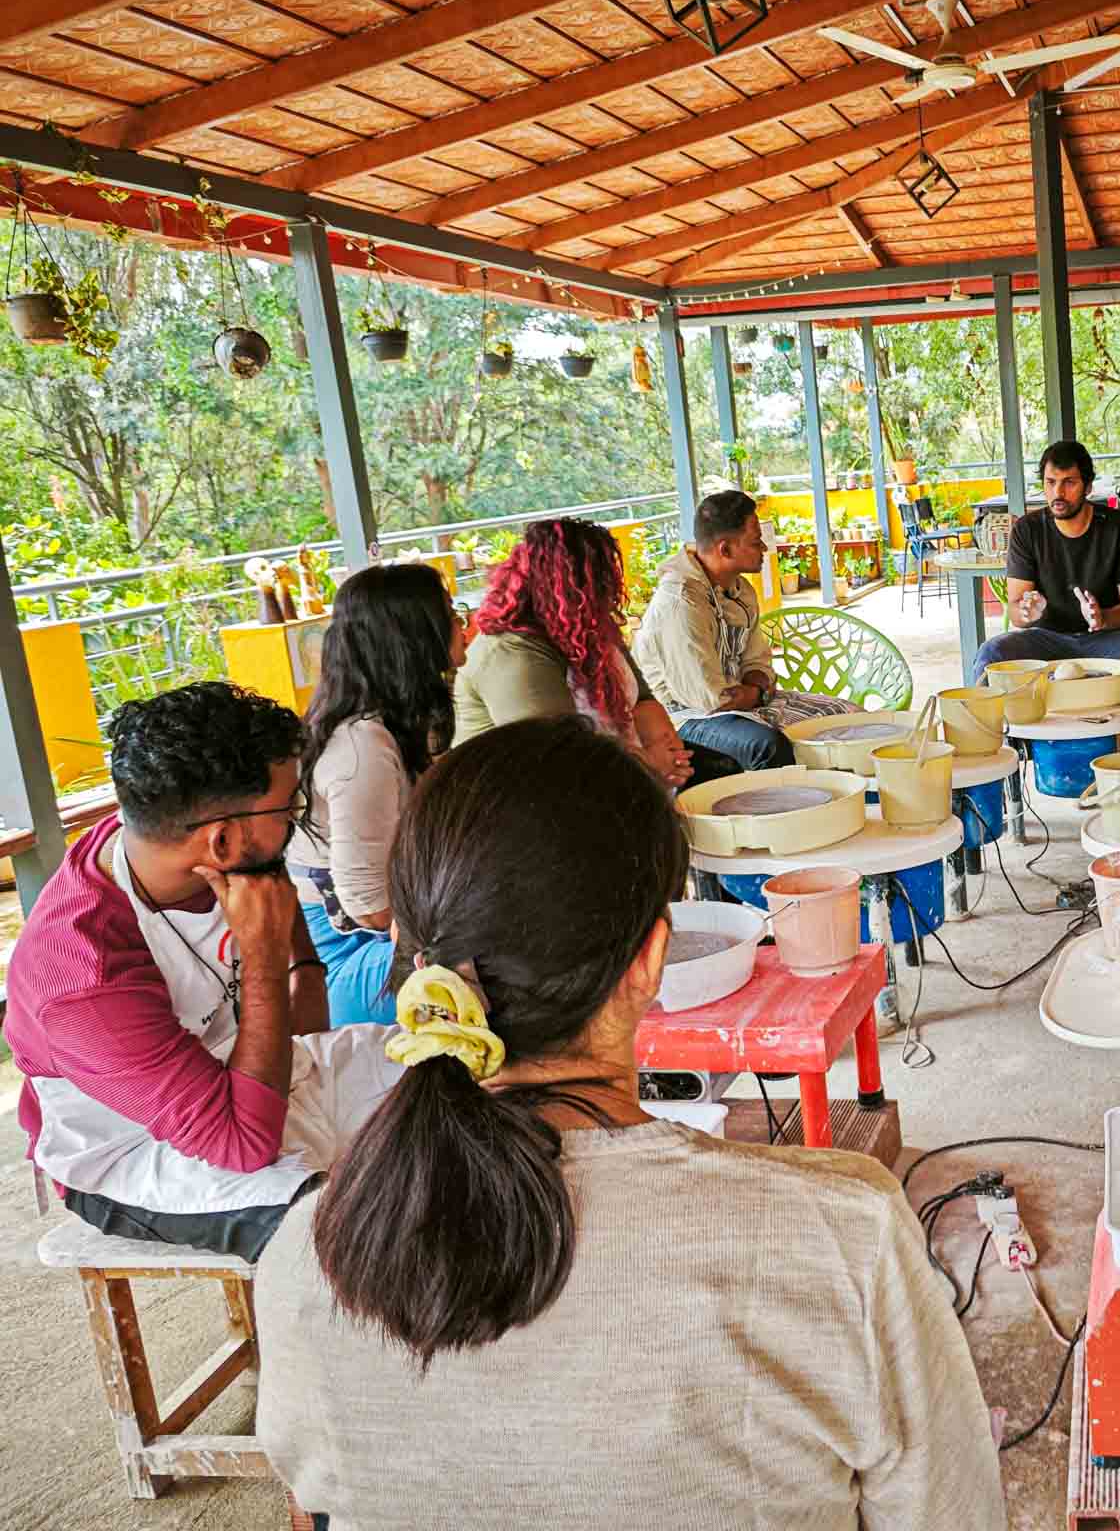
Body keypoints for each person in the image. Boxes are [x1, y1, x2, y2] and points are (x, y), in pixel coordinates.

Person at [256, 717, 1006, 1529]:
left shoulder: (309, 1253)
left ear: (414, 947)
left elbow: (315, 1513)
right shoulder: (838, 1236)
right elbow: (949, 1513)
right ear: (651, 959)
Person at [2, 683, 399, 1260]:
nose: (296, 822)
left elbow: (303, 1033)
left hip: (253, 1081)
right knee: (338, 1230)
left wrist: (302, 964)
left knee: (453, 1073)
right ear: (221, 839)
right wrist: (264, 955)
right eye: (289, 808)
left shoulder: (174, 847)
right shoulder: (83, 980)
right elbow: (244, 1144)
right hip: (138, 1154)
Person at [288, 563, 462, 1028]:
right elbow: (369, 908)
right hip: (353, 960)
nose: (462, 621)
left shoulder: (396, 728)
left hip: (392, 941)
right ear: (413, 637)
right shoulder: (362, 748)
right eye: (449, 612)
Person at [452, 517, 730, 786]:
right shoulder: (512, 651)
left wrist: (667, 753)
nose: (612, 591)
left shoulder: (586, 625)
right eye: (599, 580)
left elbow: (642, 699)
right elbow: (562, 752)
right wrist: (647, 764)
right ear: (562, 587)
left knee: (720, 770)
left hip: (607, 763)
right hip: (527, 793)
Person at [632, 489, 860, 772]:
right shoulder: (680, 602)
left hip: (742, 703)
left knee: (849, 716)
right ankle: (787, 813)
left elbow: (758, 663)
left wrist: (755, 689)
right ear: (725, 549)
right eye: (756, 542)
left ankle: (850, 800)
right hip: (687, 716)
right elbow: (709, 698)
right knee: (767, 745)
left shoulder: (741, 590)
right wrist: (757, 692)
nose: (764, 548)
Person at [967, 440, 1120, 684]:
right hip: (1045, 638)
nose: (1058, 493)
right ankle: (989, 723)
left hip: (1107, 636)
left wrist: (1103, 618)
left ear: (1088, 487)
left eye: (1069, 482)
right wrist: (1027, 612)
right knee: (990, 655)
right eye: (1051, 482)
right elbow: (1017, 613)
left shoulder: (1119, 528)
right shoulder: (1027, 530)